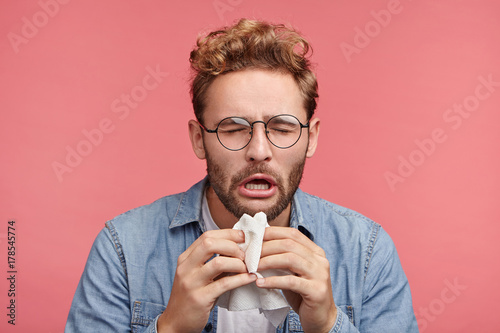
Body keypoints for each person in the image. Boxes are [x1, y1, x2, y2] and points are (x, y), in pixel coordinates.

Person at [65, 19, 418, 333]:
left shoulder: (367, 251)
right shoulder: (122, 248)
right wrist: (170, 328)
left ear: (311, 138)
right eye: (234, 128)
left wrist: (327, 325)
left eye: (282, 127)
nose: (259, 150)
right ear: (198, 139)